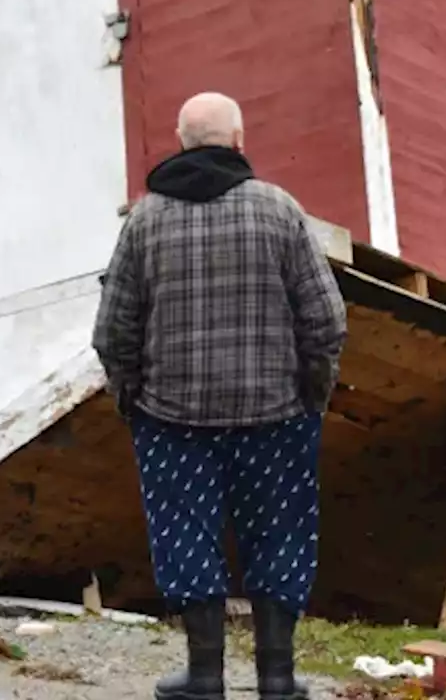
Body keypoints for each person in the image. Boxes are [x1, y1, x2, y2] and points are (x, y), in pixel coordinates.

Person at [92, 91, 348, 700]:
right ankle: (277, 679)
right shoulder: (278, 211)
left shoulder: (146, 220)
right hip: (276, 415)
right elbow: (326, 318)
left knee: (185, 537)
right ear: (240, 141)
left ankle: (204, 677)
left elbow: (113, 330)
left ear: (180, 142)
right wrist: (313, 392)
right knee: (281, 536)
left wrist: (130, 397)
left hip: (173, 418)